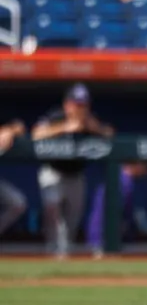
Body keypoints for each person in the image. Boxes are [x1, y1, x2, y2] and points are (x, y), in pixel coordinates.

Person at [31, 85, 114, 258]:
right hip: (53, 172)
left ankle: (64, 253)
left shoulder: (90, 121)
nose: (80, 108)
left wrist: (95, 129)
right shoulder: (55, 117)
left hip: (76, 175)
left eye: (84, 104)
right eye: (77, 104)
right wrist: (64, 127)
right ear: (67, 104)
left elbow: (111, 134)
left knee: (72, 220)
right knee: (52, 211)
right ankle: (52, 249)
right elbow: (36, 133)